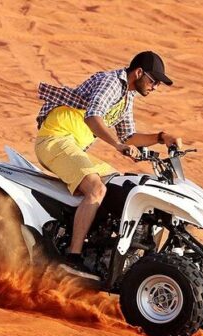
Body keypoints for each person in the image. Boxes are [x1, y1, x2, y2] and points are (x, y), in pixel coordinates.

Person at [34, 51, 182, 273]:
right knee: (96, 188)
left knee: (118, 187)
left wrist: (161, 137)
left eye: (159, 84)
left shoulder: (127, 96)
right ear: (138, 72)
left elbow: (129, 136)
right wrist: (117, 146)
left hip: (72, 147)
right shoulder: (112, 83)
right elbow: (92, 116)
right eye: (153, 81)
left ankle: (98, 247)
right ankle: (72, 259)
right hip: (55, 139)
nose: (155, 87)